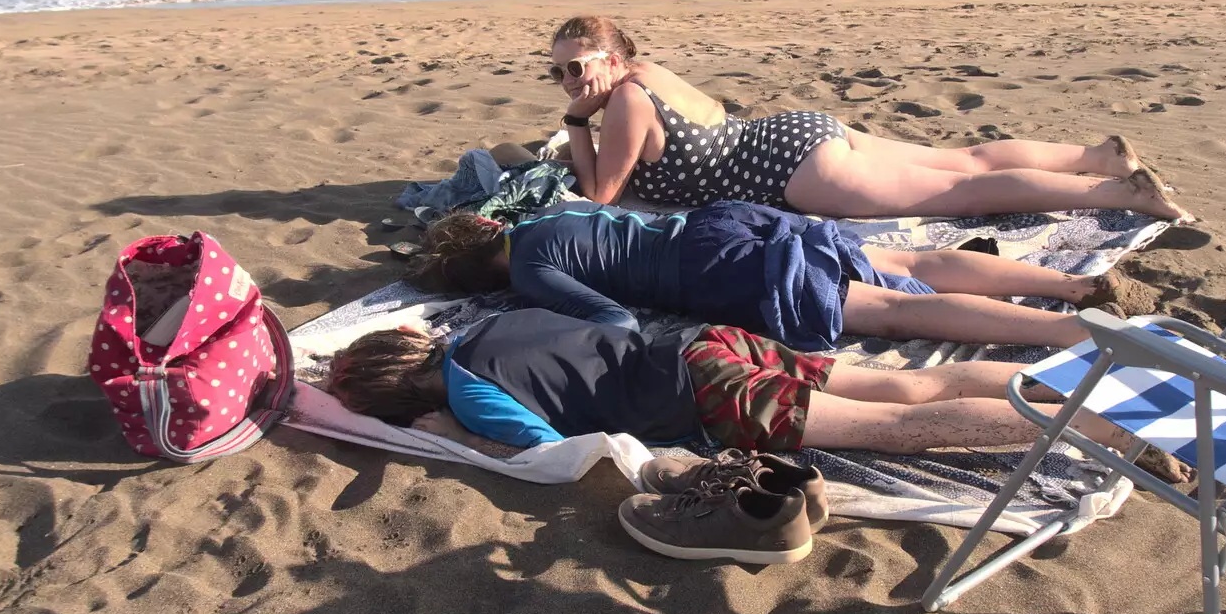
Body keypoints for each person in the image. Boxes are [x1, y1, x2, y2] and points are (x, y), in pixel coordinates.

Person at [324, 309, 1177, 563]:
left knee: (903, 428)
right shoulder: (490, 327)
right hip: (705, 342)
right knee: (911, 382)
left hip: (711, 394)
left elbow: (541, 451)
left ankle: (1112, 424)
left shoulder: (473, 397)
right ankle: (1100, 386)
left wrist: (455, 435)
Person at [547, 15, 1192, 220]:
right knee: (963, 159)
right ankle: (1098, 156)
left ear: (613, 58)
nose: (572, 81)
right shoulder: (650, 74)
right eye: (560, 73)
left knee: (956, 193)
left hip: (789, 173)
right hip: (791, 133)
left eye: (580, 67)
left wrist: (578, 124)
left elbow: (603, 194)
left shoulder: (626, 102)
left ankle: (1116, 192)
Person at [412, 200, 1154, 352]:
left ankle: (1067, 327)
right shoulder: (544, 221)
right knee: (907, 261)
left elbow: (616, 323)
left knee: (894, 310)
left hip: (713, 268)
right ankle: (1073, 287)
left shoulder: (534, 268)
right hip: (722, 222)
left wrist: (542, 322)